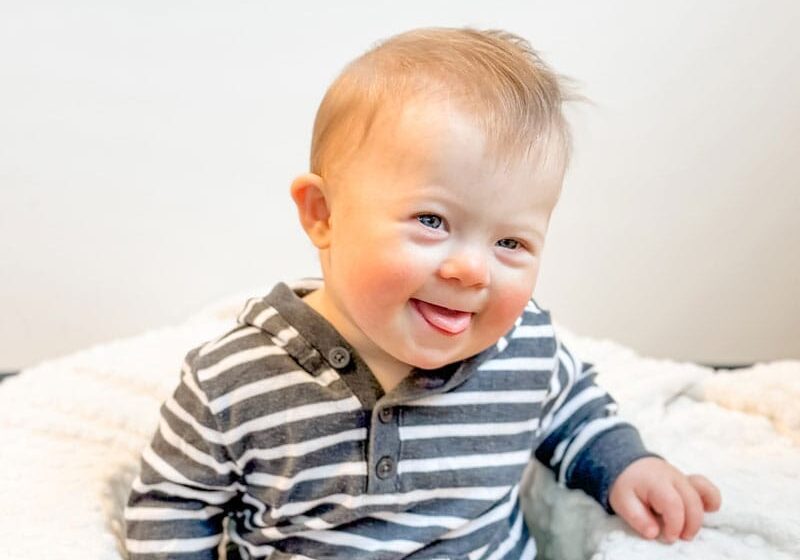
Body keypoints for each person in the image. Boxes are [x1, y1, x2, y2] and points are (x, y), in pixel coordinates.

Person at [125, 27, 721, 559]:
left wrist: (630, 467)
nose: (472, 270)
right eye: (432, 221)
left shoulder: (523, 351)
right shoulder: (232, 383)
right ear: (323, 214)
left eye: (511, 242)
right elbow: (171, 505)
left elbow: (575, 413)